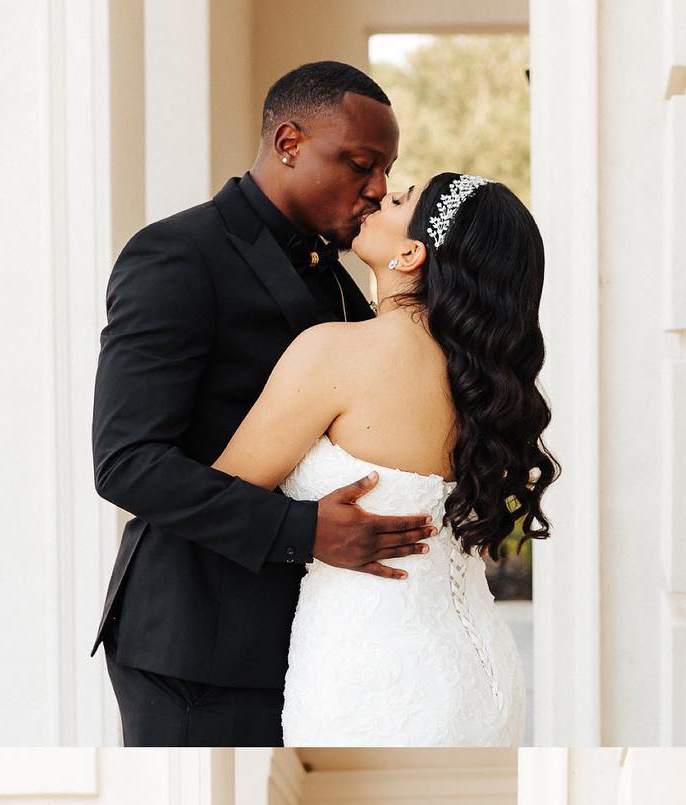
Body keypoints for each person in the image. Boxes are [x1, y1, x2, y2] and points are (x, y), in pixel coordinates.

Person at [91, 62, 437, 747]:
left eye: (386, 169)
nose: (376, 189)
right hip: (193, 648)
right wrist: (302, 530)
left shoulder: (338, 278)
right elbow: (126, 464)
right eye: (360, 164)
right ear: (288, 143)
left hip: (301, 644)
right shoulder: (177, 255)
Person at [214, 168, 554, 746]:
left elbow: (221, 493)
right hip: (483, 677)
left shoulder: (336, 351)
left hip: (371, 675)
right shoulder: (487, 384)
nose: (377, 197)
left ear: (412, 254)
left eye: (399, 200)